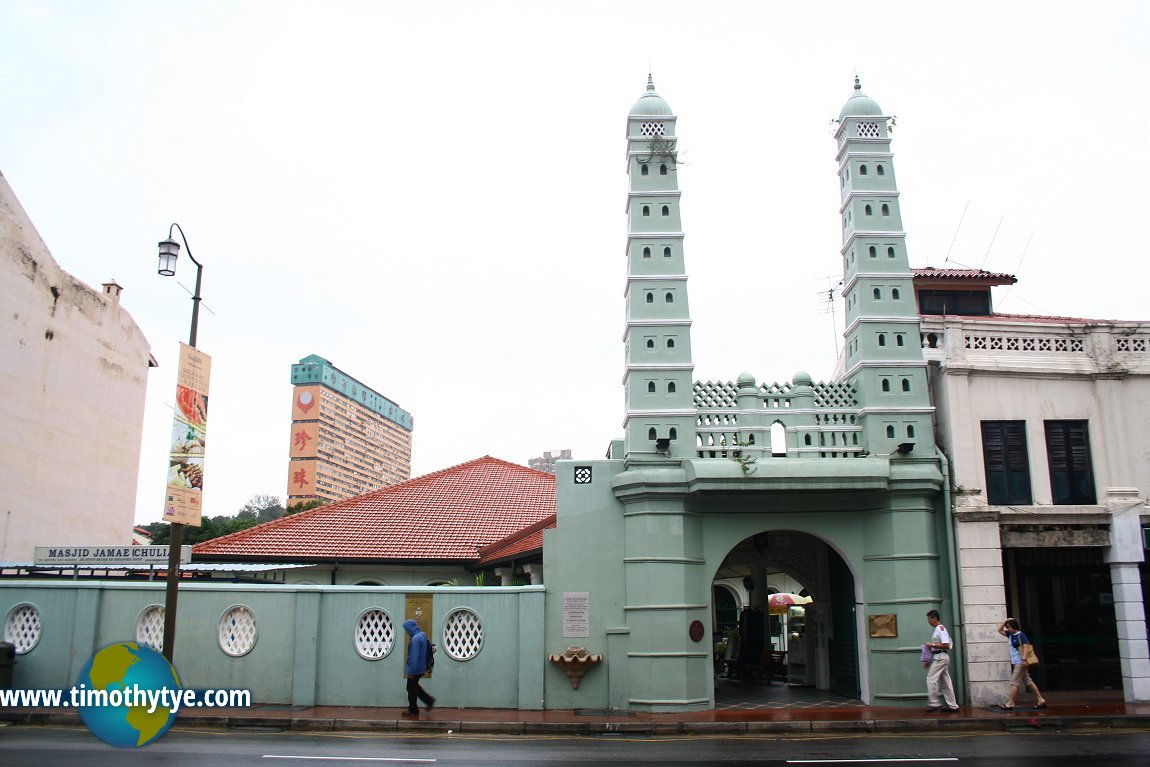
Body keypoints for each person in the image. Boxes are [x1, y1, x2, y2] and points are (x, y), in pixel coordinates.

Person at [998, 617, 1047, 710]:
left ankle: (1011, 702)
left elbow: (1025, 647)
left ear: (1014, 627)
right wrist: (1005, 621)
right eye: (1007, 627)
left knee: (1014, 682)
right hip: (1017, 662)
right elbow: (999, 630)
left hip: (1020, 662)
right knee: (1028, 681)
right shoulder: (1010, 635)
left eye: (1009, 627)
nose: (1008, 629)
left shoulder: (1020, 635)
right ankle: (1040, 699)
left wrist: (1023, 659)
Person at [924, 609, 960, 712]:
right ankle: (953, 706)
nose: (928, 622)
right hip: (940, 657)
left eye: (929, 619)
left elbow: (946, 645)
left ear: (934, 618)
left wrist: (932, 645)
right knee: (946, 682)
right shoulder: (937, 629)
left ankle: (934, 703)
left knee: (931, 679)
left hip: (940, 657)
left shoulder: (940, 629)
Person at [401, 619, 436, 716]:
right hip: (421, 666)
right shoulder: (422, 635)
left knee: (410, 687)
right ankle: (428, 700)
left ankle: (413, 710)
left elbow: (414, 656)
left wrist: (411, 672)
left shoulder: (415, 639)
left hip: (415, 668)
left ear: (411, 628)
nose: (407, 632)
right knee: (414, 686)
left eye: (407, 629)